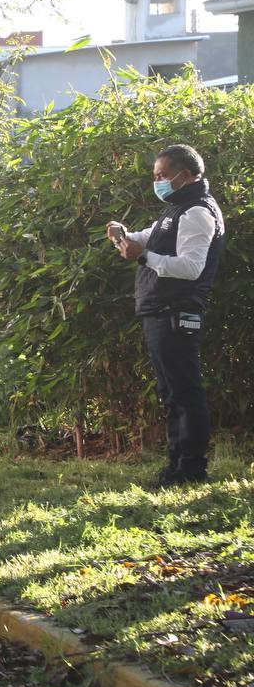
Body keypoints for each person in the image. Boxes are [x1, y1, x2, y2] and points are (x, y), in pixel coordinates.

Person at [107, 143, 224, 487]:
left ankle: (191, 469)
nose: (156, 181)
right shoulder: (178, 208)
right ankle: (176, 467)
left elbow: (190, 267)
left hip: (177, 312)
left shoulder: (197, 212)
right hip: (160, 311)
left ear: (184, 175)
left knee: (185, 392)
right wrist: (124, 235)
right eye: (154, 175)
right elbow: (150, 238)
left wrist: (143, 257)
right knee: (171, 392)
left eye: (161, 175)